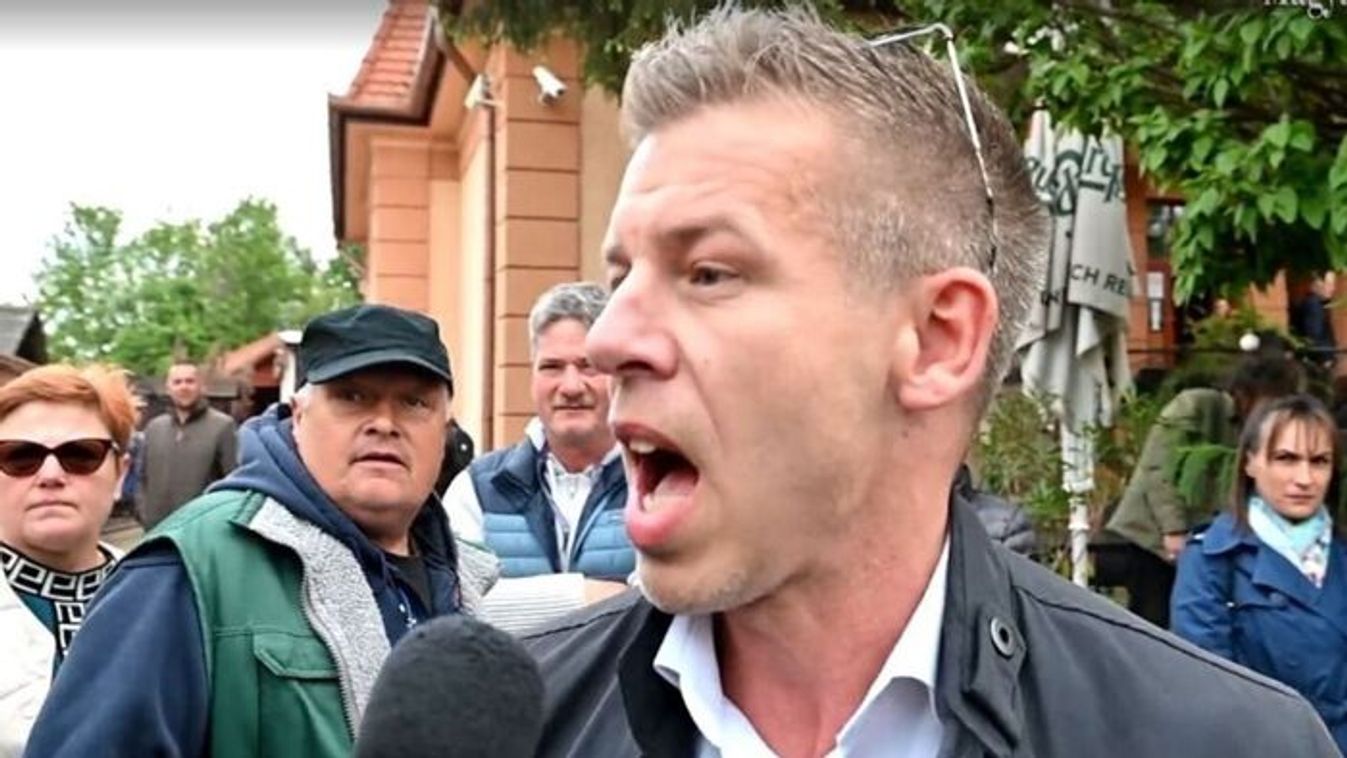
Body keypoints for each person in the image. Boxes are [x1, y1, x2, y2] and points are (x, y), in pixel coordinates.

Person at [521, 8, 1338, 756]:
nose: (608, 339)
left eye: (707, 272)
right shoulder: (516, 726)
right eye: (620, 279)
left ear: (938, 339)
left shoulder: (1223, 742)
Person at [26, 304, 493, 756]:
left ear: (446, 431)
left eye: (414, 402)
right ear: (298, 415)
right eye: (352, 397)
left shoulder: (471, 580)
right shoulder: (188, 569)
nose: (384, 424)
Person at [444, 282, 632, 633]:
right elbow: (451, 604)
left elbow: (662, 607)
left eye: (588, 366)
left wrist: (515, 604)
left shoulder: (655, 482)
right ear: (532, 375)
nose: (571, 386)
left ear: (619, 374)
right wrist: (584, 597)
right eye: (552, 367)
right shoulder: (478, 489)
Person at [1173, 394, 1347, 753]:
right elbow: (1204, 685)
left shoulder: (1341, 558)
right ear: (1251, 462)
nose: (1304, 479)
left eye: (1319, 461)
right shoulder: (1212, 559)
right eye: (1286, 458)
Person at [0, 364, 137, 756]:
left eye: (80, 454)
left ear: (120, 473)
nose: (51, 474)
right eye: (20, 456)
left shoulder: (168, 600)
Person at [1103, 357, 1302, 626]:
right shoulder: (1195, 405)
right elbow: (1160, 468)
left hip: (1205, 543)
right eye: (1269, 402)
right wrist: (1173, 529)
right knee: (1153, 621)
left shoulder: (1261, 432)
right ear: (1245, 393)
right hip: (1154, 537)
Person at [136, 360, 238, 529]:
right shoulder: (154, 428)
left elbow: (232, 482)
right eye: (177, 382)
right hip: (156, 530)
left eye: (190, 381)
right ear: (168, 388)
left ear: (202, 386)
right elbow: (141, 478)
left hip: (201, 531)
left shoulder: (223, 426)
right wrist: (144, 514)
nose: (183, 387)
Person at [1291, 272, 1338, 372]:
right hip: (1318, 364)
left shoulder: (1316, 303)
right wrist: (1326, 359)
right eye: (1329, 285)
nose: (1333, 289)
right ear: (1317, 285)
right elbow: (1313, 336)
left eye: (1333, 285)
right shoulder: (1313, 304)